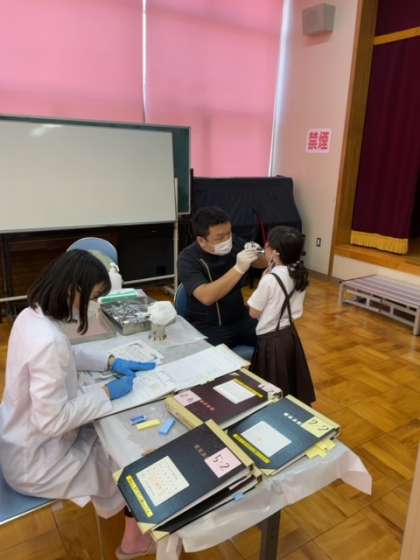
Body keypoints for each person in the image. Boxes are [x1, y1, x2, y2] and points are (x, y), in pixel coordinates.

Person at [0, 250, 156, 558]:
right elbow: (52, 421)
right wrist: (107, 393)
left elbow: (67, 354)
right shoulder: (48, 341)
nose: (95, 305)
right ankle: (133, 542)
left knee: (111, 436)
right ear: (74, 289)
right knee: (134, 455)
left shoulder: (30, 316)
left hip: (22, 440)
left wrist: (110, 361)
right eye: (95, 297)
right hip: (40, 463)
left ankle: (131, 530)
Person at [178, 206, 266, 347]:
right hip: (208, 326)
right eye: (219, 237)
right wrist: (238, 269)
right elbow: (206, 296)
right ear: (201, 240)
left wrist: (258, 252)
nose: (227, 240)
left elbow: (262, 263)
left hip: (240, 317)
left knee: (275, 340)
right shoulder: (188, 258)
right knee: (216, 359)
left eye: (229, 233)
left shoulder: (234, 242)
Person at [247, 226, 315, 404]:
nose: (265, 248)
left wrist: (264, 280)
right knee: (289, 382)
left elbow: (253, 313)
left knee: (270, 388)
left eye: (267, 245)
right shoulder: (299, 273)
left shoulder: (269, 280)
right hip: (289, 335)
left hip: (271, 341)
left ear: (275, 252)